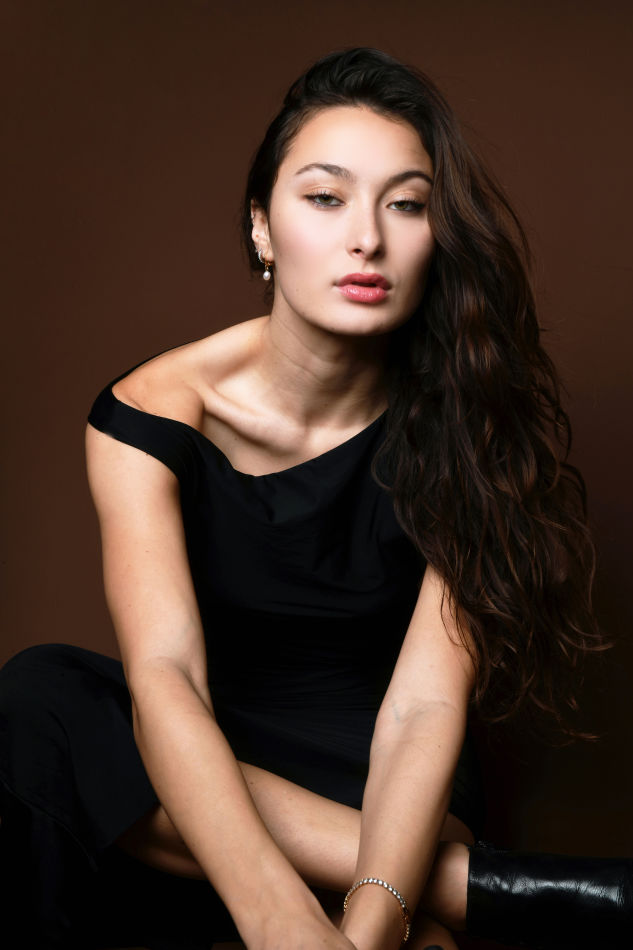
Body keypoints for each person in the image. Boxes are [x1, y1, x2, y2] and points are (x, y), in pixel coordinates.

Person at [0, 47, 630, 950]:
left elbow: (421, 709)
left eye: (404, 204)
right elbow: (168, 678)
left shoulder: (469, 411)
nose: (365, 238)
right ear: (262, 227)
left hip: (386, 783)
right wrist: (282, 923)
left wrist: (370, 921)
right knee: (42, 698)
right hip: (207, 769)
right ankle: (496, 890)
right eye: (325, 198)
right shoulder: (150, 415)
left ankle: (432, 894)